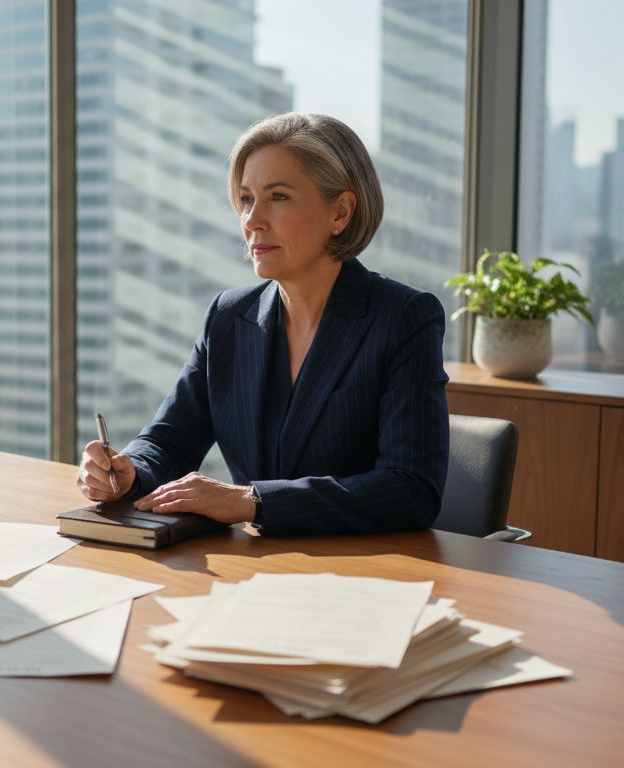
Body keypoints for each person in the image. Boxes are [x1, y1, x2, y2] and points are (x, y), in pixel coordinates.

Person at [77, 113, 449, 536]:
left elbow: (411, 490)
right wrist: (128, 472)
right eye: (246, 198)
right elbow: (167, 442)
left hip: (364, 575)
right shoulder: (228, 317)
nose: (252, 220)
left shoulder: (403, 318)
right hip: (255, 568)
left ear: (341, 212)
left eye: (278, 197)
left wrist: (251, 501)